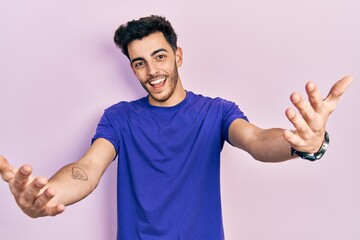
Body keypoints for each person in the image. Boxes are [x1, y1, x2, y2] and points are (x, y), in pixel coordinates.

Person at [0, 15, 353, 239]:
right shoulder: (119, 118)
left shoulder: (215, 112)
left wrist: (306, 144)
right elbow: (86, 170)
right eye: (139, 63)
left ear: (177, 56)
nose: (151, 71)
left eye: (159, 56)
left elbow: (258, 140)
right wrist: (49, 197)